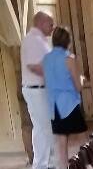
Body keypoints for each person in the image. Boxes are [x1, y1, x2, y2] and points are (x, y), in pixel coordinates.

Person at [42, 26, 87, 169]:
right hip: (69, 104)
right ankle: (87, 165)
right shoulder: (69, 59)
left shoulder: (46, 59)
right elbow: (78, 87)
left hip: (54, 107)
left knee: (61, 141)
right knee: (83, 139)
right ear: (68, 41)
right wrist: (82, 80)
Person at [21, 11, 55, 169]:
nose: (53, 27)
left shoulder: (39, 40)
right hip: (36, 90)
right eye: (51, 24)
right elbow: (34, 66)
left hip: (39, 90)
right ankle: (42, 165)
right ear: (41, 23)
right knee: (44, 129)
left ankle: (48, 163)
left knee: (44, 128)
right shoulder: (33, 40)